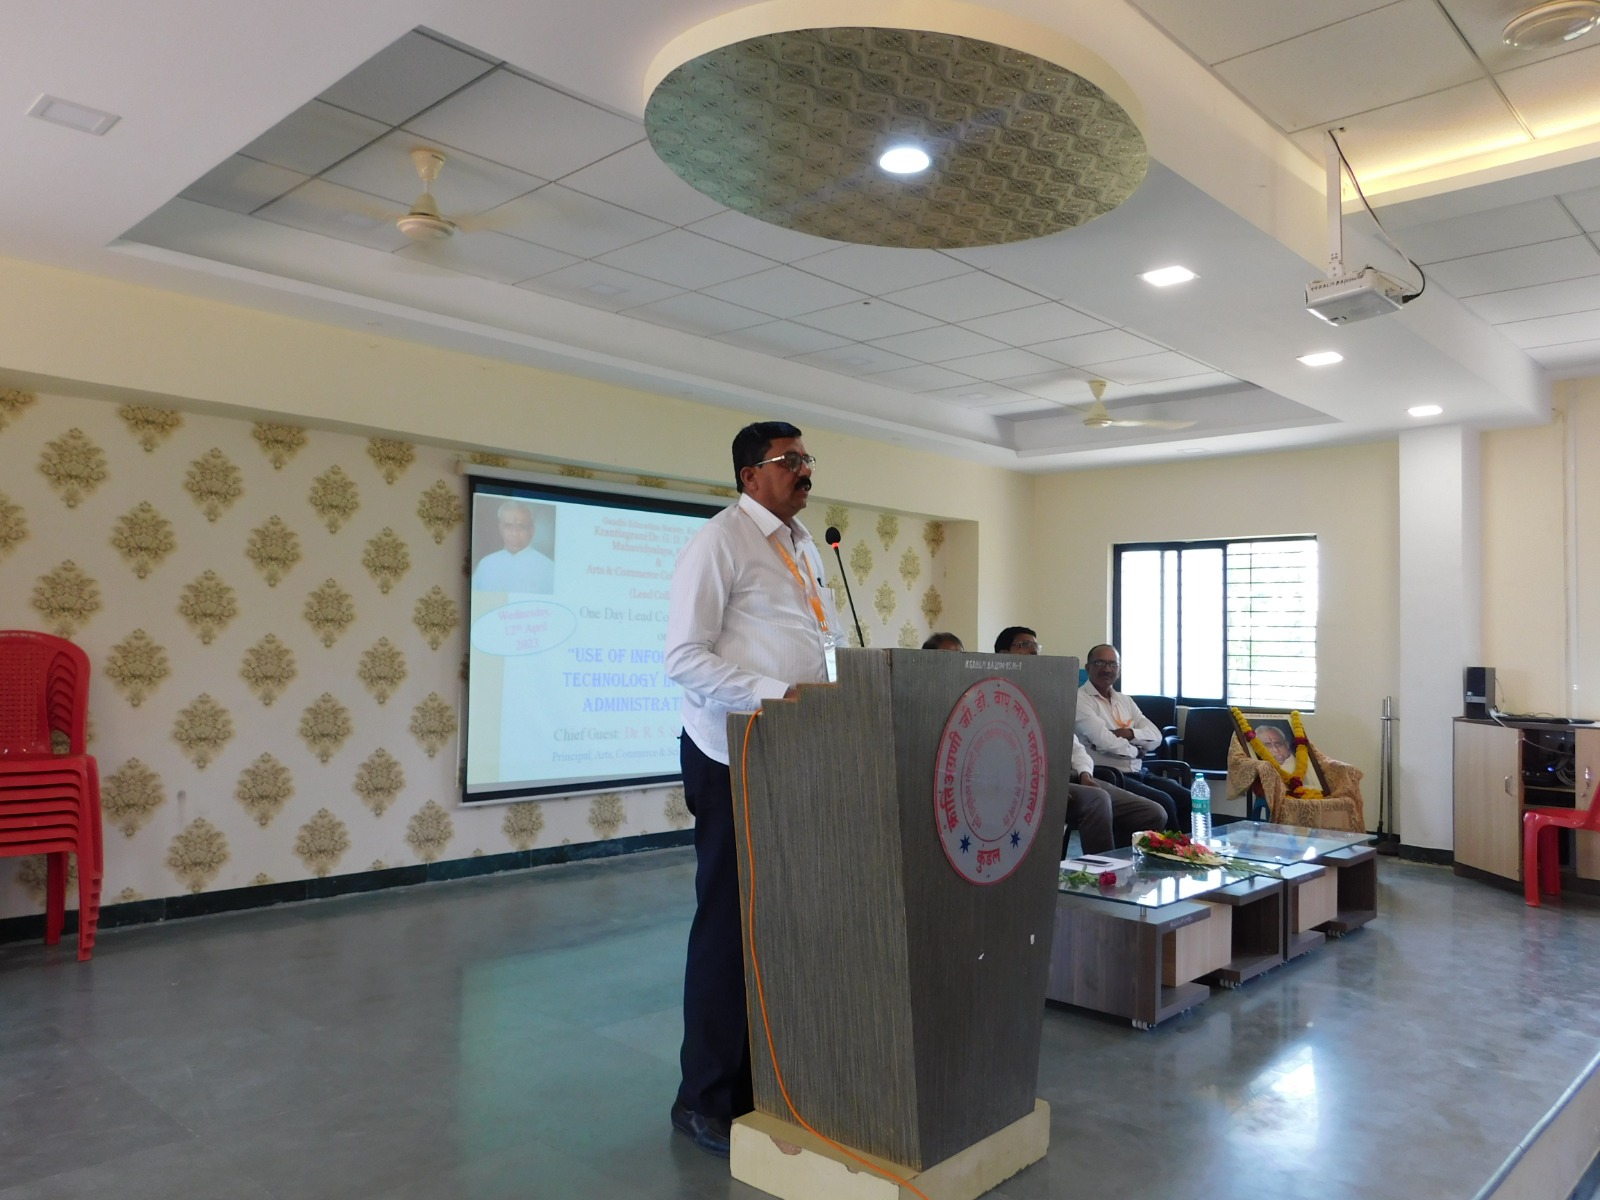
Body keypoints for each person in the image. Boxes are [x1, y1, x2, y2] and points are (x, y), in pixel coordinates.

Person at [663, 420, 840, 1158]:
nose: (804, 470)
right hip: (729, 754)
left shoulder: (804, 544)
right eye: (789, 460)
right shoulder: (720, 541)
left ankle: (761, 1083)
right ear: (749, 475)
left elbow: (814, 639)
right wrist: (778, 694)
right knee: (729, 925)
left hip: (793, 756)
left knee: (780, 924)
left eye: (806, 458)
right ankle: (703, 1099)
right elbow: (683, 657)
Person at [994, 626, 1165, 855]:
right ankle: (1105, 872)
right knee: (1098, 799)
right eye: (1025, 645)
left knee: (1154, 812)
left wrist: (1085, 773)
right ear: (1003, 654)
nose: (1033, 651)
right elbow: (1105, 740)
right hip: (1028, 781)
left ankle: (1129, 868)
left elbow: (1073, 744)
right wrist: (1135, 750)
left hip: (1074, 775)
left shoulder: (1046, 694)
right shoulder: (995, 695)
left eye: (1035, 645)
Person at [1076, 644, 1193, 833]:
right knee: (1164, 801)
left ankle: (1190, 848)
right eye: (1100, 663)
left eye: (1113, 664)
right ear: (1088, 667)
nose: (1107, 669)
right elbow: (1105, 741)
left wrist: (1129, 733)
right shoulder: (1080, 699)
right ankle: (1168, 850)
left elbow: (1155, 736)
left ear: (1119, 669)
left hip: (1138, 771)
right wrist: (1136, 750)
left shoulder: (1125, 700)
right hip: (1108, 775)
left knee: (1187, 797)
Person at [471, 499, 555, 593]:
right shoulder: (486, 564)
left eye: (521, 526)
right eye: (508, 526)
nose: (514, 533)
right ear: (500, 529)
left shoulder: (548, 568)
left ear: (532, 530)